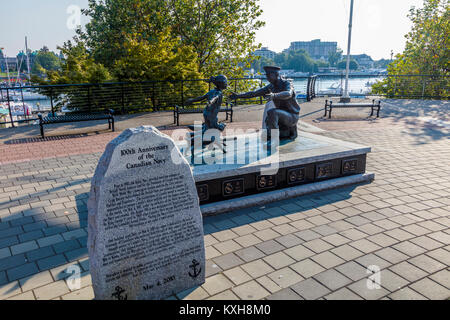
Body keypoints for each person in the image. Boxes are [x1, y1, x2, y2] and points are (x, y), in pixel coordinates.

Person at [229, 66, 300, 141]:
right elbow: (254, 93)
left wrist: (274, 95)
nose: (267, 78)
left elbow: (288, 93)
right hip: (282, 116)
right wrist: (238, 96)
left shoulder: (286, 83)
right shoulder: (271, 86)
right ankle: (271, 136)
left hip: (292, 116)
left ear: (276, 75)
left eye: (269, 76)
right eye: (266, 76)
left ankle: (274, 140)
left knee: (273, 113)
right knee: (269, 117)